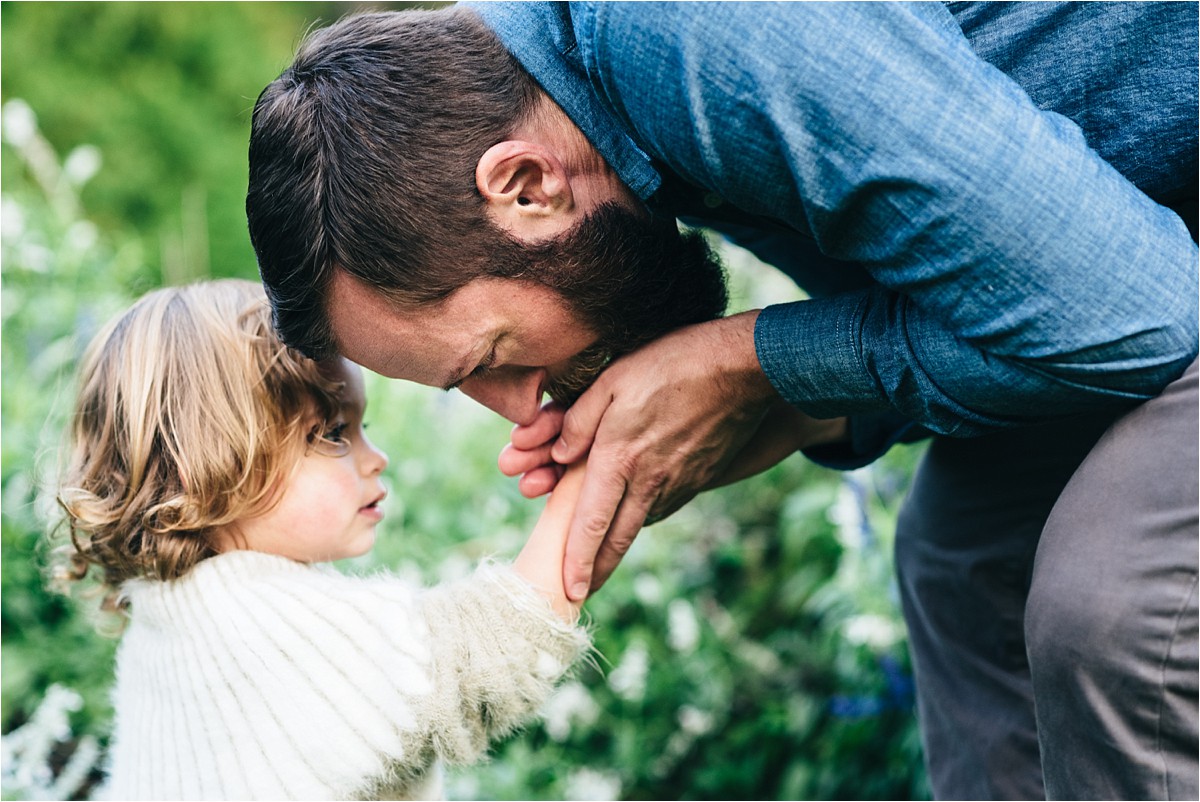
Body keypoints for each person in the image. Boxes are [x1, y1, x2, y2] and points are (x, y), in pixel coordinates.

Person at [244, 3, 1198, 798]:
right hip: (1142, 247)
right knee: (962, 560)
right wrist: (797, 407)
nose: (523, 409)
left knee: (1114, 602)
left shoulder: (709, 35)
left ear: (526, 186)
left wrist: (751, 364)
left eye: (491, 359)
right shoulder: (589, 97)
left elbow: (1135, 315)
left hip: (1149, 275)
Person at [53, 279, 591, 801]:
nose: (374, 456)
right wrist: (594, 468)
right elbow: (485, 659)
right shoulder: (254, 621)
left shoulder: (180, 612)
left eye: (362, 426)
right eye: (333, 433)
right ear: (209, 468)